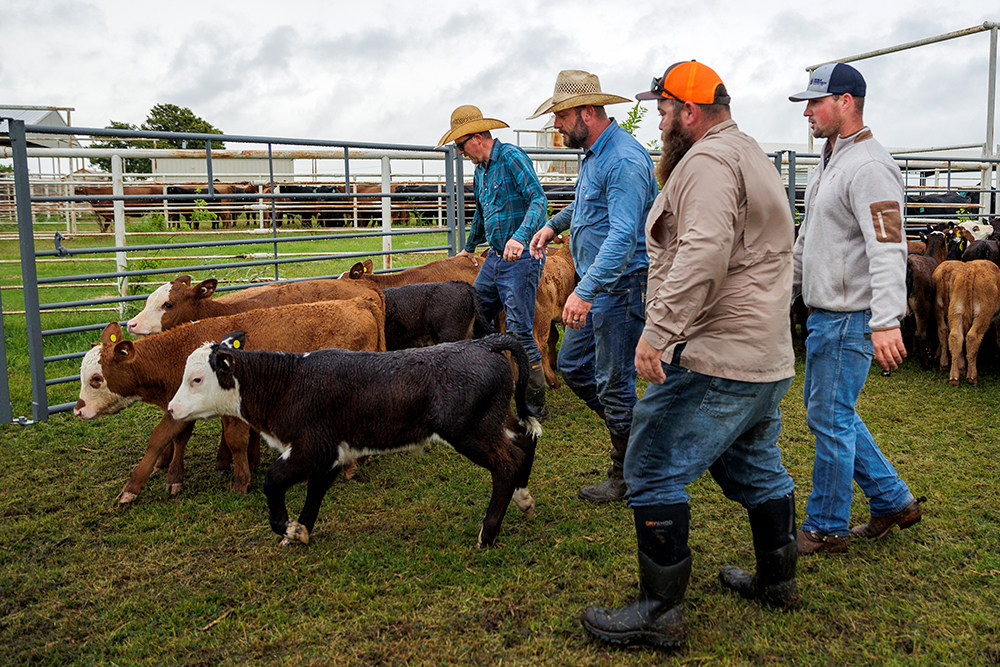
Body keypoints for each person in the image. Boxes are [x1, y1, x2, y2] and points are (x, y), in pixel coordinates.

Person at [581, 61, 800, 650]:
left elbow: (702, 251)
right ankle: (777, 581)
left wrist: (657, 332)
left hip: (717, 353)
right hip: (765, 354)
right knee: (754, 463)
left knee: (650, 462)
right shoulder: (749, 154)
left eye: (664, 110)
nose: (660, 121)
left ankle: (660, 612)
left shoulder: (705, 162)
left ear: (690, 111)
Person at [788, 62, 925, 555]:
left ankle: (826, 526)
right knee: (832, 413)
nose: (807, 111)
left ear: (845, 101)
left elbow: (888, 246)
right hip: (827, 313)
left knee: (829, 416)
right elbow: (807, 241)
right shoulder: (828, 161)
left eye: (815, 101)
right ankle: (892, 499)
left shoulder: (869, 166)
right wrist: (785, 291)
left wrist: (886, 320)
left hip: (850, 316)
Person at [528, 70, 657, 502]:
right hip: (601, 285)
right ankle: (641, 441)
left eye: (561, 116)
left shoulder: (622, 160)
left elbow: (623, 236)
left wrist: (584, 291)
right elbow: (585, 205)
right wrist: (552, 224)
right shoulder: (597, 156)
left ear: (587, 112)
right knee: (574, 365)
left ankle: (628, 473)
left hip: (619, 286)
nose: (556, 126)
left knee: (614, 382)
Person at [437, 105, 550, 417]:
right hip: (496, 258)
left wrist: (521, 236)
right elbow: (482, 214)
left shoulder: (512, 157)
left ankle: (534, 404)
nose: (460, 154)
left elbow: (538, 199)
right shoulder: (481, 171)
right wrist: (470, 247)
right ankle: (488, 382)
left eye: (460, 147)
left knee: (518, 327)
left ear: (475, 139)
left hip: (522, 257)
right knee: (476, 312)